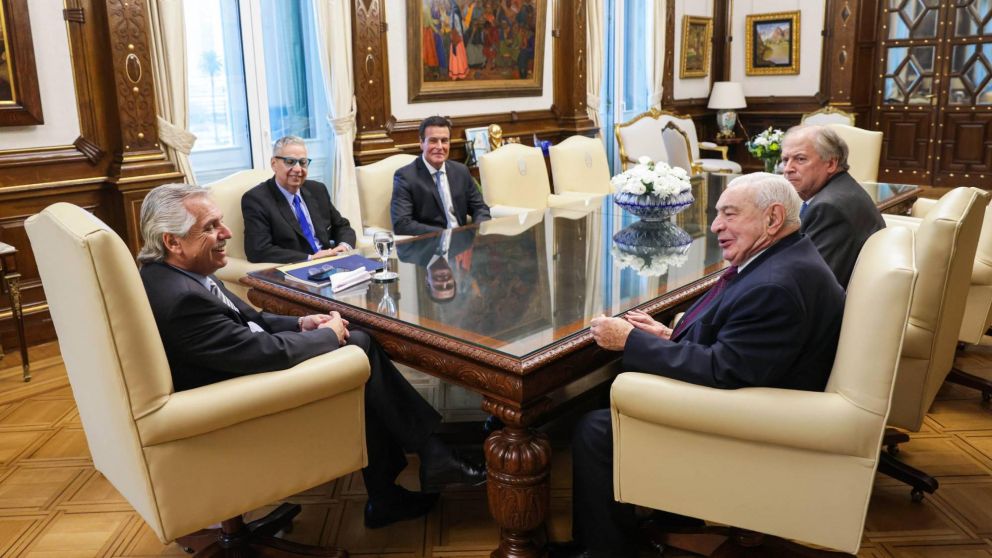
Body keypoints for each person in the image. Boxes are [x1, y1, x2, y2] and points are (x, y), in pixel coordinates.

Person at [137, 183, 485, 530]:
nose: (226, 233)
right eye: (211, 227)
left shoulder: (176, 275)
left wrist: (302, 323)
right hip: (235, 406)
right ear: (172, 241)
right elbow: (260, 353)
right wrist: (327, 336)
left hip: (240, 370)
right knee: (357, 347)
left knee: (358, 357)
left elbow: (249, 321)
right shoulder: (183, 299)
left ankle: (402, 479)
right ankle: (425, 458)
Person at [554, 173, 846, 558]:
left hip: (755, 428)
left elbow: (723, 371)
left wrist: (631, 341)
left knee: (597, 428)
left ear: (773, 218)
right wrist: (667, 335)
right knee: (611, 396)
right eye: (717, 214)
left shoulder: (775, 285)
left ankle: (606, 550)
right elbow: (740, 345)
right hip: (764, 398)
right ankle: (668, 523)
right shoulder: (785, 256)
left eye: (730, 214)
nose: (715, 226)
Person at [781, 124, 885, 289]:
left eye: (800, 159)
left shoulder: (829, 208)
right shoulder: (839, 190)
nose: (787, 169)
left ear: (830, 164)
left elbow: (808, 282)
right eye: (785, 160)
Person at [243, 136, 357, 263]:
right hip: (296, 267)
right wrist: (310, 258)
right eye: (290, 162)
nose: (298, 169)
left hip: (330, 262)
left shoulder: (317, 189)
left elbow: (342, 226)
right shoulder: (256, 200)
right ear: (274, 164)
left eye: (303, 162)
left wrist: (343, 247)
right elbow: (258, 250)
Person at [391, 116, 491, 236]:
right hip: (430, 243)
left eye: (444, 141)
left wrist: (479, 232)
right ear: (421, 143)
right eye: (433, 141)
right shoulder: (406, 177)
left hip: (464, 243)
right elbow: (402, 224)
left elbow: (480, 208)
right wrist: (446, 235)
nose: (439, 147)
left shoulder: (461, 171)